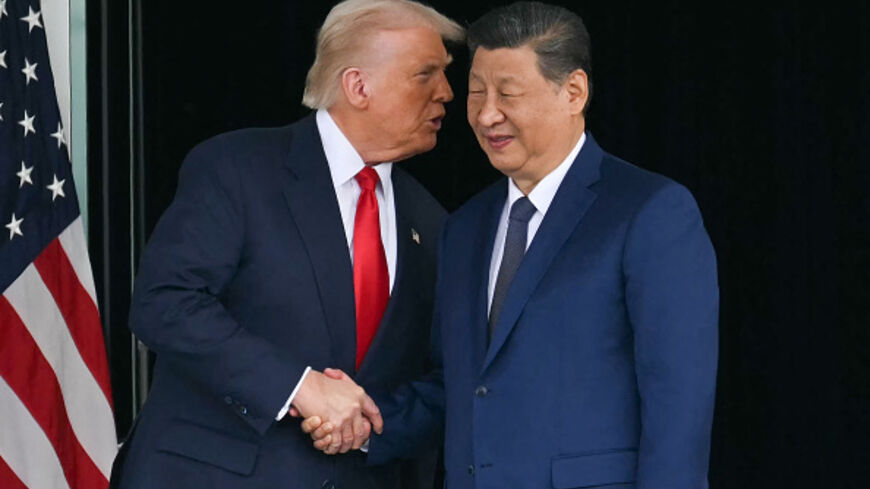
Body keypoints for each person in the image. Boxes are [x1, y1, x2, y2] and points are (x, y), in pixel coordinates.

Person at [304, 2, 719, 488]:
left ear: (573, 92)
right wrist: (365, 427)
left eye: (508, 93)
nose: (485, 114)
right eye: (476, 92)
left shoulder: (649, 212)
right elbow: (456, 387)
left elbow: (678, 409)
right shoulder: (462, 228)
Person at [109, 1, 463, 488]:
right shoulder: (238, 168)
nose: (446, 92)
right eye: (426, 74)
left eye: (444, 74)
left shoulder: (434, 222)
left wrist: (365, 432)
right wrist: (299, 387)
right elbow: (163, 303)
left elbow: (446, 376)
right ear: (358, 86)